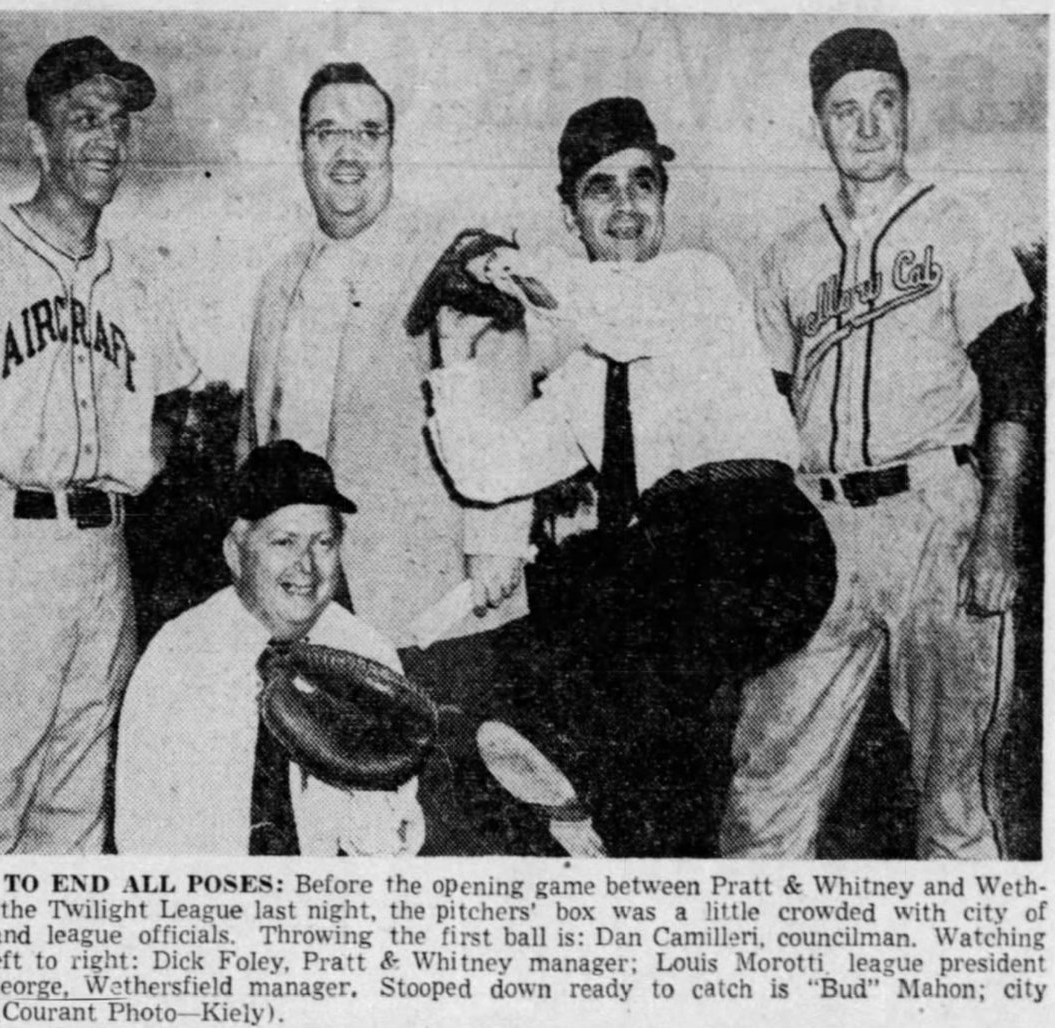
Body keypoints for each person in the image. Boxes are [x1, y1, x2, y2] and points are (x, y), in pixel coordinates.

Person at [424, 98, 836, 856]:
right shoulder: (585, 373)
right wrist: (453, 353)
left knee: (599, 575)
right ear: (570, 212)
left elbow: (615, 311)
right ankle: (604, 817)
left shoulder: (692, 281)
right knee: (649, 725)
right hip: (678, 574)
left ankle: (569, 757)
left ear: (663, 201)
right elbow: (489, 472)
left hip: (763, 538)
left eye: (641, 184)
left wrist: (503, 265)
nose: (624, 206)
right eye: (600, 188)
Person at [0, 37, 201, 853]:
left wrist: (145, 455)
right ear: (38, 140)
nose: (107, 141)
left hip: (103, 554)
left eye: (119, 124)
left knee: (79, 817)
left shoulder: (135, 277)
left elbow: (175, 389)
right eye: (83, 120)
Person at [719, 28, 1037, 859]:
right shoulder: (787, 254)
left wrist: (998, 522)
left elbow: (1013, 381)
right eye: (843, 110)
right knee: (764, 789)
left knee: (957, 794)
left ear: (906, 111)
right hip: (818, 523)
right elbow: (765, 408)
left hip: (938, 514)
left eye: (882, 105)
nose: (865, 127)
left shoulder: (957, 226)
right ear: (819, 125)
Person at [237, 62, 534, 853]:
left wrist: (500, 537)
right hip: (308, 605)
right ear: (301, 149)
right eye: (327, 131)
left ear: (392, 150)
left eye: (369, 132)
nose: (347, 152)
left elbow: (502, 375)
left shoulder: (446, 254)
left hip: (435, 599)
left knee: (454, 823)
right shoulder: (277, 283)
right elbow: (253, 441)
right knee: (331, 823)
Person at [114, 441, 424, 855]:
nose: (307, 566)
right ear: (236, 552)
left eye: (324, 543)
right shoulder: (179, 657)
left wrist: (376, 810)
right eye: (284, 542)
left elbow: (396, 836)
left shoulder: (366, 654)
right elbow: (143, 837)